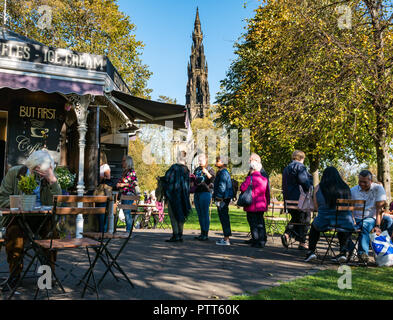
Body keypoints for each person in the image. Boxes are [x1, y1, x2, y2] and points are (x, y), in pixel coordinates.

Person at [0, 150, 61, 289]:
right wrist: (16, 202)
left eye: (45, 171)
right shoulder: (15, 173)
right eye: (39, 171)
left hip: (42, 219)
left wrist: (53, 181)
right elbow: (1, 198)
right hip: (18, 218)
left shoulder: (48, 177)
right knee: (13, 233)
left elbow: (59, 204)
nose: (41, 174)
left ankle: (47, 277)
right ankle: (14, 276)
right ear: (32, 167)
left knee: (52, 234)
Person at [304, 167, 355, 263]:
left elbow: (316, 208)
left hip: (325, 221)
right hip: (346, 222)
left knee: (314, 226)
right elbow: (350, 206)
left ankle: (311, 252)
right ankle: (343, 252)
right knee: (341, 225)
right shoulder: (345, 187)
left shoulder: (319, 187)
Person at [350, 170, 393, 263]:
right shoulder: (352, 190)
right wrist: (353, 220)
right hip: (355, 218)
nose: (361, 184)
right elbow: (350, 209)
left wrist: (377, 226)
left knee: (365, 225)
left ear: (371, 181)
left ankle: (362, 255)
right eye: (360, 181)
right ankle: (350, 250)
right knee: (343, 227)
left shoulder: (378, 189)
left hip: (370, 217)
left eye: (364, 182)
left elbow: (379, 210)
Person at [281, 150, 313, 250]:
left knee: (296, 218)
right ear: (302, 158)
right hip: (299, 199)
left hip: (288, 199)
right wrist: (310, 187)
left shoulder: (287, 168)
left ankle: (287, 234)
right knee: (306, 218)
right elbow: (304, 181)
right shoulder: (300, 167)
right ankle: (302, 242)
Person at [240, 160, 270, 248]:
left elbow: (242, 188)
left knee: (253, 223)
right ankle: (262, 240)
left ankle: (256, 240)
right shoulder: (264, 179)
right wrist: (267, 203)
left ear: (251, 169)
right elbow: (267, 193)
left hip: (251, 204)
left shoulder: (250, 178)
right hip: (261, 204)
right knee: (260, 222)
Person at [164, 151, 191, 242]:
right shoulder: (186, 170)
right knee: (181, 214)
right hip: (183, 196)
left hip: (174, 195)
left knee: (173, 215)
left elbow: (167, 179)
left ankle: (175, 234)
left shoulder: (174, 168)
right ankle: (180, 234)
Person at [193, 153, 215, 241]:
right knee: (199, 213)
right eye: (199, 160)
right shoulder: (197, 169)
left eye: (201, 160)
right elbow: (194, 180)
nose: (199, 161)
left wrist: (207, 173)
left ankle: (205, 233)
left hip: (205, 192)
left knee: (205, 213)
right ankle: (202, 233)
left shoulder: (210, 169)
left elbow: (213, 179)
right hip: (197, 192)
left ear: (206, 160)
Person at [213, 156, 234, 246]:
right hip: (223, 198)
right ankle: (226, 238)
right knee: (224, 218)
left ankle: (226, 239)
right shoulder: (222, 172)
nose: (216, 163)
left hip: (222, 199)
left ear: (223, 163)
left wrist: (218, 197)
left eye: (218, 161)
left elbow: (222, 186)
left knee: (224, 218)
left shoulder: (223, 173)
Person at [116, 155, 139, 233]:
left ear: (127, 162)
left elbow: (135, 183)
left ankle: (128, 231)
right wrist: (118, 184)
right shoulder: (124, 172)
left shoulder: (131, 171)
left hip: (129, 194)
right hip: (123, 194)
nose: (122, 162)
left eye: (123, 161)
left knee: (127, 213)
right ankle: (128, 230)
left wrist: (123, 185)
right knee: (125, 212)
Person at [97, 151, 111, 233]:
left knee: (102, 212)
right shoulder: (99, 166)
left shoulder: (105, 166)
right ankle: (100, 230)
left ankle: (102, 231)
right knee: (98, 212)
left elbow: (108, 177)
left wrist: (100, 177)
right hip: (98, 191)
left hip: (102, 191)